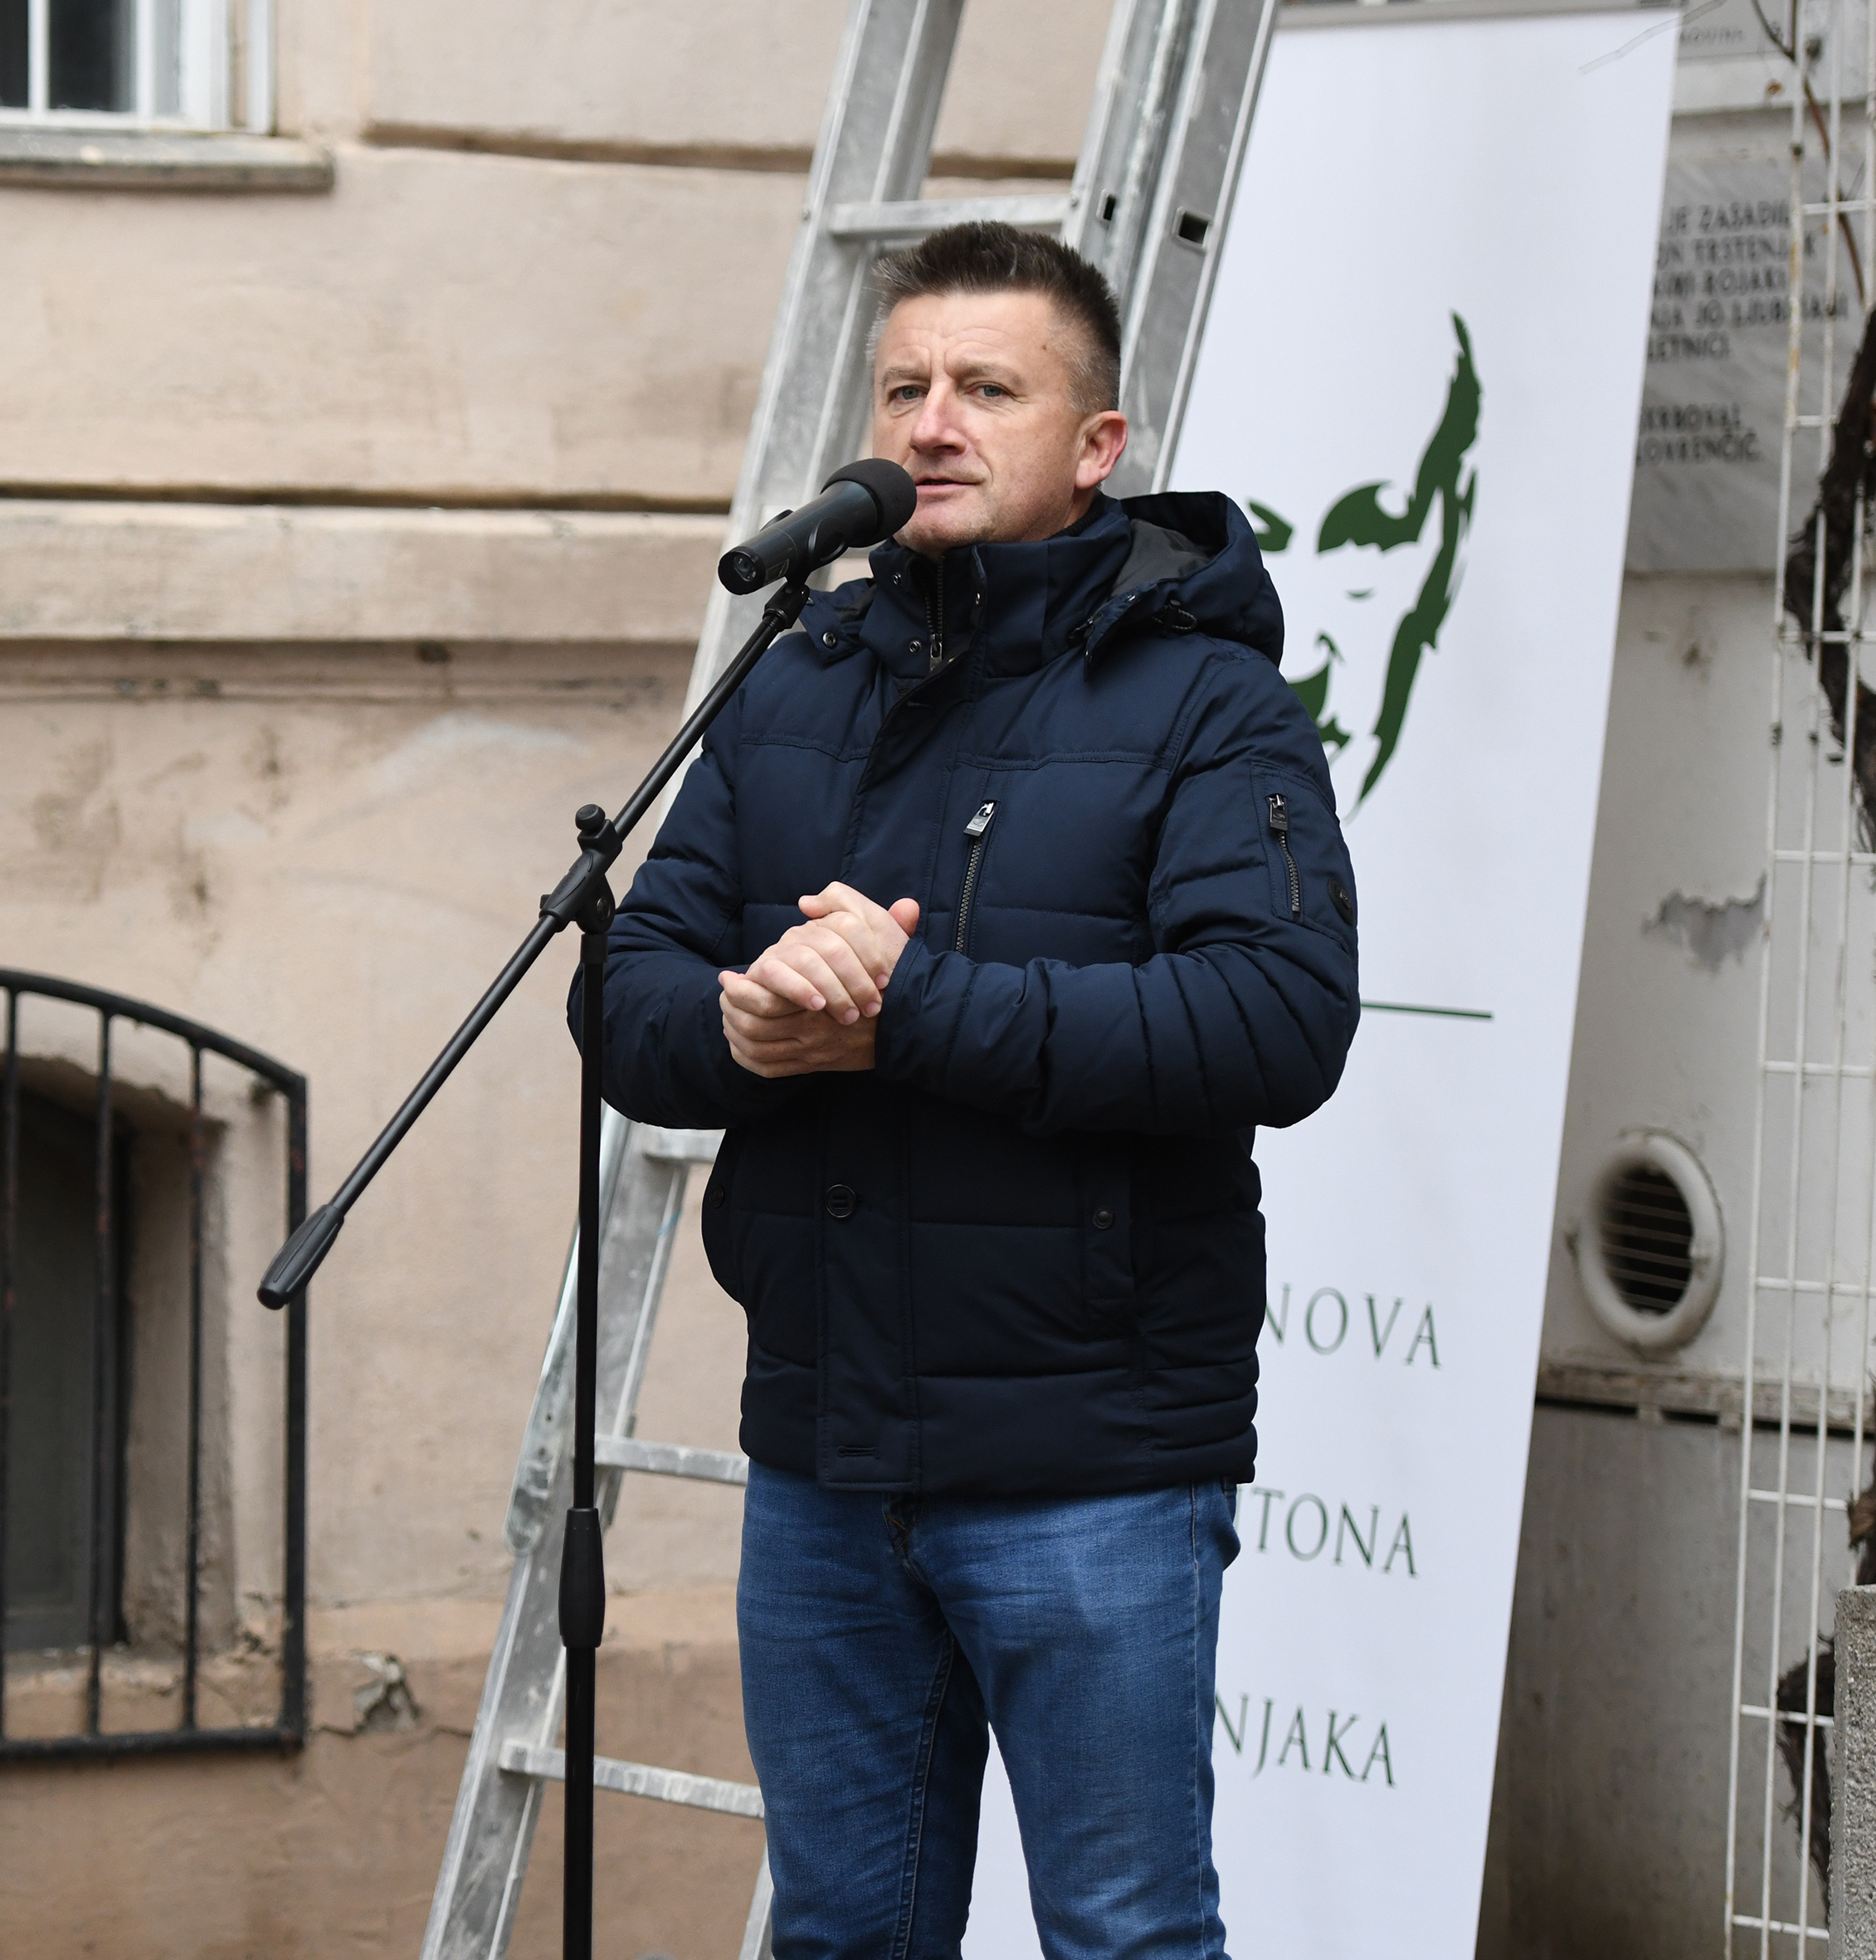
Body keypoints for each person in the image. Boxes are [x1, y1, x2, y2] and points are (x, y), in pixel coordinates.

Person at [585, 222, 1361, 1960]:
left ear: (1097, 445)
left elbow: (1275, 1019)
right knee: (839, 1933)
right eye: (904, 388)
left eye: (987, 389)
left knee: (1123, 1933)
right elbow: (627, 993)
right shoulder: (790, 675)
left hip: (1091, 1461)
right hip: (822, 1452)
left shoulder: (1210, 700)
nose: (931, 422)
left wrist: (911, 1010)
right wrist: (743, 1025)